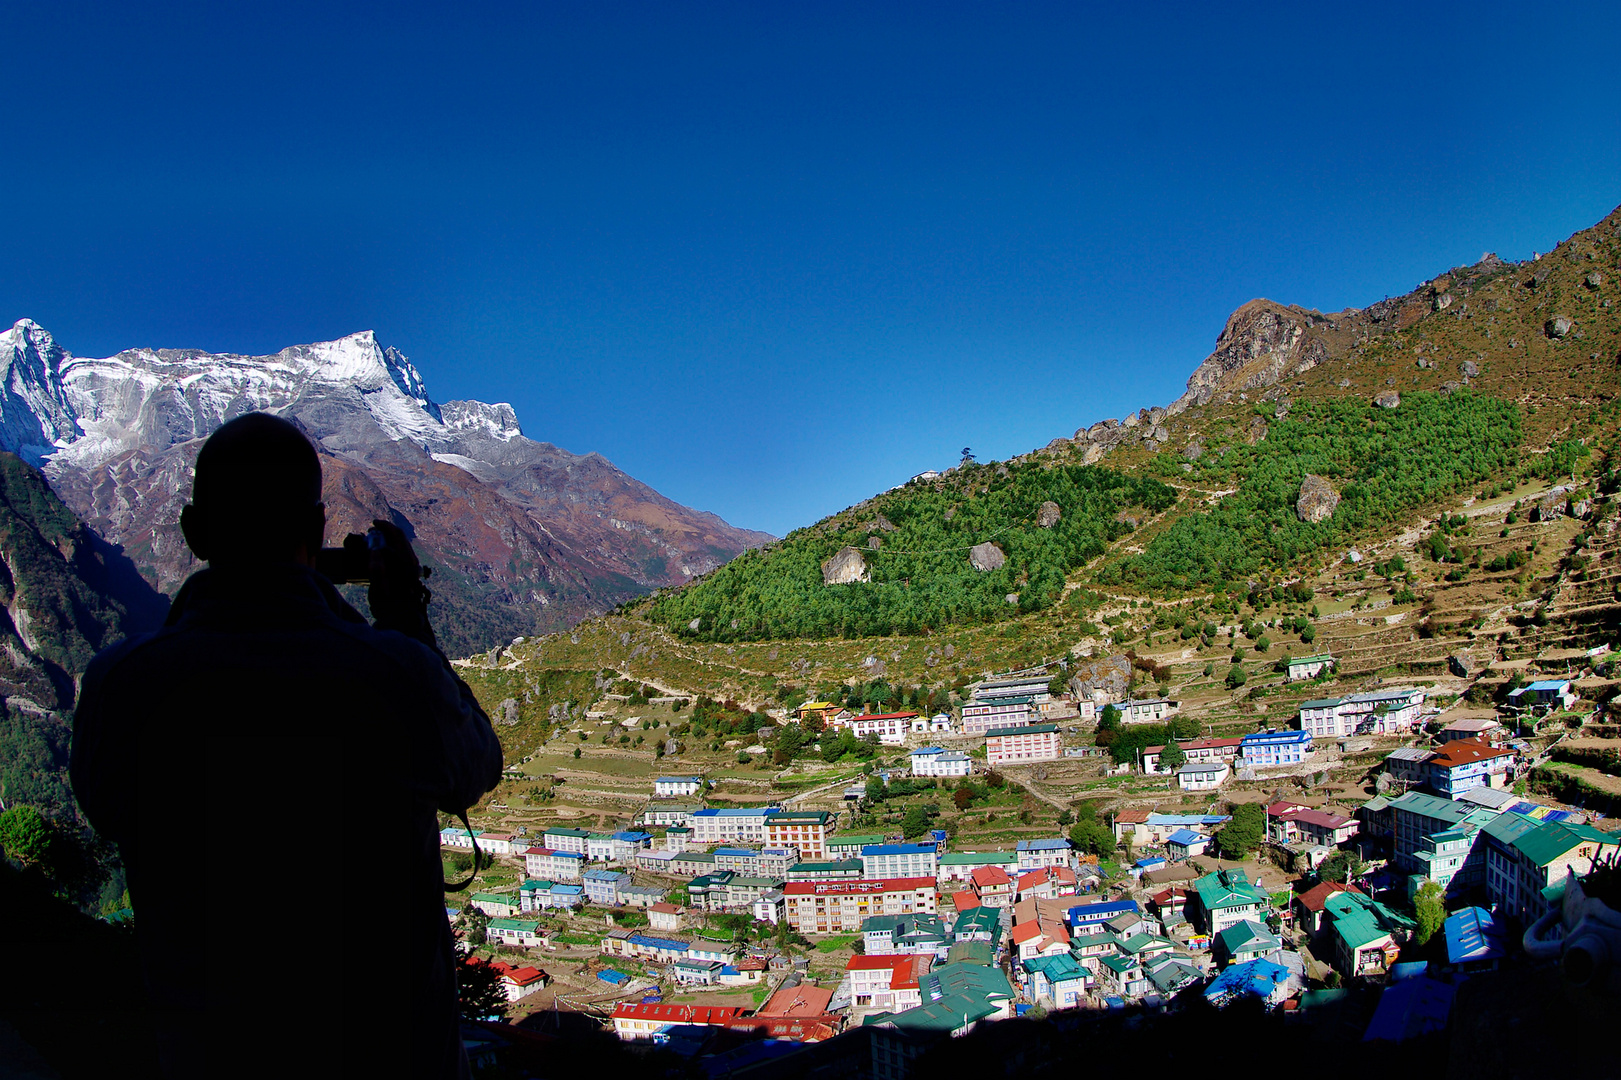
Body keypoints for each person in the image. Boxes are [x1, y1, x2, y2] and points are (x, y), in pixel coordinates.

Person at [71, 412, 503, 1079]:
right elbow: (477, 767)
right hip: (388, 1054)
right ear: (316, 530)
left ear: (191, 533)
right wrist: (405, 620)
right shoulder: (392, 674)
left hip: (209, 1054)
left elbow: (103, 807)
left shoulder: (120, 684)